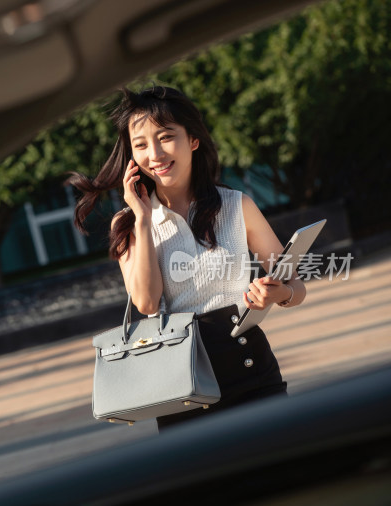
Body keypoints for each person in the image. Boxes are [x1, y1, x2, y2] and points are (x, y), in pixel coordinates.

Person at [67, 86, 306, 431]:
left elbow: (296, 285)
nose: (155, 154)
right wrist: (144, 219)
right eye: (141, 145)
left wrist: (278, 294)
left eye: (165, 137)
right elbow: (147, 303)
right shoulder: (130, 223)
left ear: (193, 139)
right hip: (183, 384)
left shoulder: (237, 206)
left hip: (253, 369)